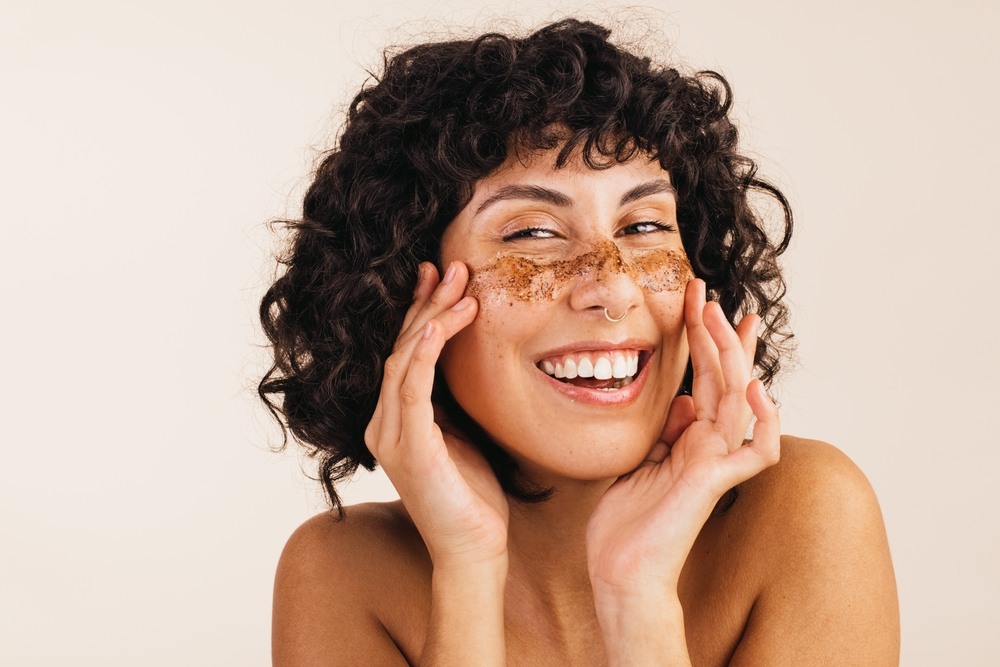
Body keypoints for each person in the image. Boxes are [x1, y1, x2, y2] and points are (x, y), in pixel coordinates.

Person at [260, 18, 899, 666]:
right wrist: (468, 569)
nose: (614, 287)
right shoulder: (342, 573)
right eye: (533, 234)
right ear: (402, 294)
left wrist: (637, 595)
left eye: (645, 223)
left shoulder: (809, 515)